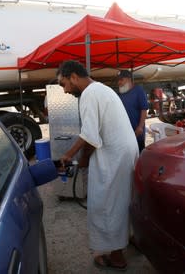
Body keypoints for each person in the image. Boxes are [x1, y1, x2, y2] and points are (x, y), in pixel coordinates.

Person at [57, 60, 139, 271]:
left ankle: (117, 255)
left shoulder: (89, 94)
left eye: (64, 84)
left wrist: (74, 157)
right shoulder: (101, 89)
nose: (65, 90)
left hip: (115, 156)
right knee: (122, 199)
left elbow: (90, 137)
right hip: (123, 152)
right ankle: (130, 239)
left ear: (74, 77)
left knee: (107, 204)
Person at [117, 70, 149, 153]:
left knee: (139, 154)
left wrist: (140, 127)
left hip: (137, 132)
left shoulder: (138, 90)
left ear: (129, 79)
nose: (119, 82)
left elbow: (144, 109)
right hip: (125, 133)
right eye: (118, 80)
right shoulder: (121, 93)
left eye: (121, 80)